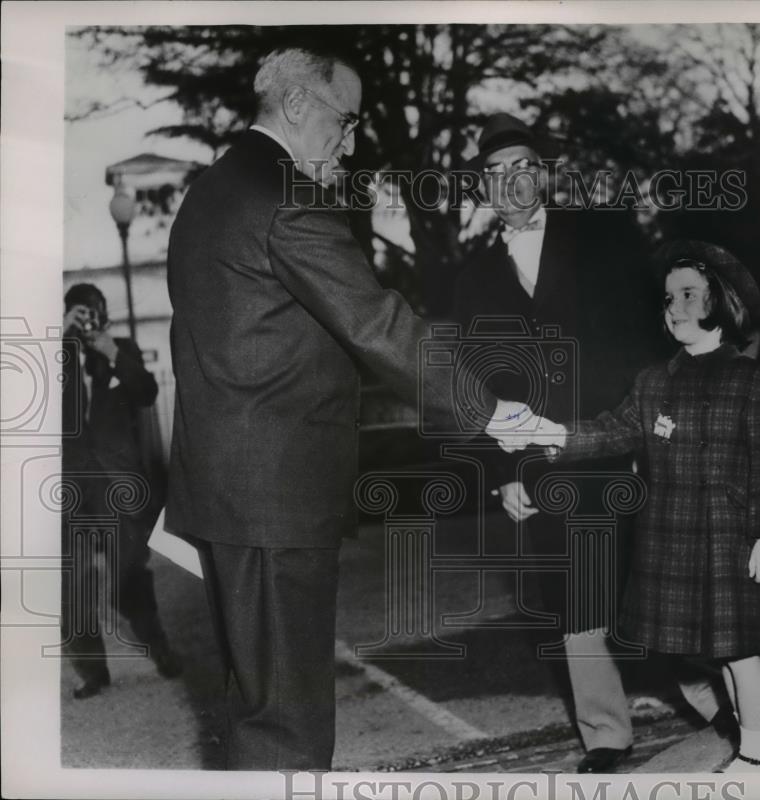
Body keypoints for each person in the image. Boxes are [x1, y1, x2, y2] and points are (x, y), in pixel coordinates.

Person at [166, 48, 528, 771]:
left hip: (234, 494)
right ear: (299, 106)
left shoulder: (214, 190)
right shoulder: (285, 202)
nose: (352, 142)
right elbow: (379, 325)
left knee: (262, 704)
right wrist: (490, 412)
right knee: (288, 725)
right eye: (347, 120)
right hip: (274, 498)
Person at [452, 113, 720, 773]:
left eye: (522, 165)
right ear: (482, 186)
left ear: (542, 173)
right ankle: (605, 733)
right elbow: (473, 386)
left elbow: (651, 335)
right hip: (543, 461)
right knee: (578, 595)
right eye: (496, 172)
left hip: (627, 439)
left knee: (659, 583)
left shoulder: (604, 235)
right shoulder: (470, 278)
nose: (510, 181)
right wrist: (502, 473)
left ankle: (717, 698)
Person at [538, 241, 760, 773]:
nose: (675, 308)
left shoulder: (755, 381)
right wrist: (550, 435)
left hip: (731, 542)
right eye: (668, 298)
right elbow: (611, 430)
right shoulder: (654, 382)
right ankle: (752, 743)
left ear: (721, 301)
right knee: (718, 654)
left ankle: (757, 755)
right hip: (673, 542)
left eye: (689, 295)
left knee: (740, 652)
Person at [61, 283, 181, 699]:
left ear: (106, 314)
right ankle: (92, 672)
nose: (89, 320)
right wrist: (61, 339)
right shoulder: (54, 356)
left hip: (116, 487)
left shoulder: (120, 349)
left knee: (131, 577)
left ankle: (161, 649)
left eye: (95, 311)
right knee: (70, 585)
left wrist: (111, 351)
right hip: (69, 489)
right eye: (80, 313)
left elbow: (147, 393)